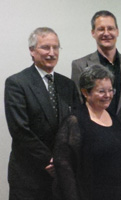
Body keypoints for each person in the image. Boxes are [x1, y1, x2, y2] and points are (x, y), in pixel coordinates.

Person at [4, 27, 80, 200]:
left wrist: (63, 161)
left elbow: (75, 125)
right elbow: (20, 130)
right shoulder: (17, 83)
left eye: (56, 47)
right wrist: (50, 160)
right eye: (46, 47)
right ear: (32, 50)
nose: (52, 53)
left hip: (62, 175)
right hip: (29, 175)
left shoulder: (67, 85)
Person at [53, 65, 121, 200]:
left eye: (111, 90)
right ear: (85, 92)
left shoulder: (114, 118)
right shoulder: (75, 121)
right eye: (101, 91)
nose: (108, 96)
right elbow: (64, 167)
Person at [71, 10, 121, 125]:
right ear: (93, 33)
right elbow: (79, 104)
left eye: (110, 28)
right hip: (95, 134)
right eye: (101, 29)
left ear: (117, 32)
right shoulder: (80, 66)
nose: (106, 33)